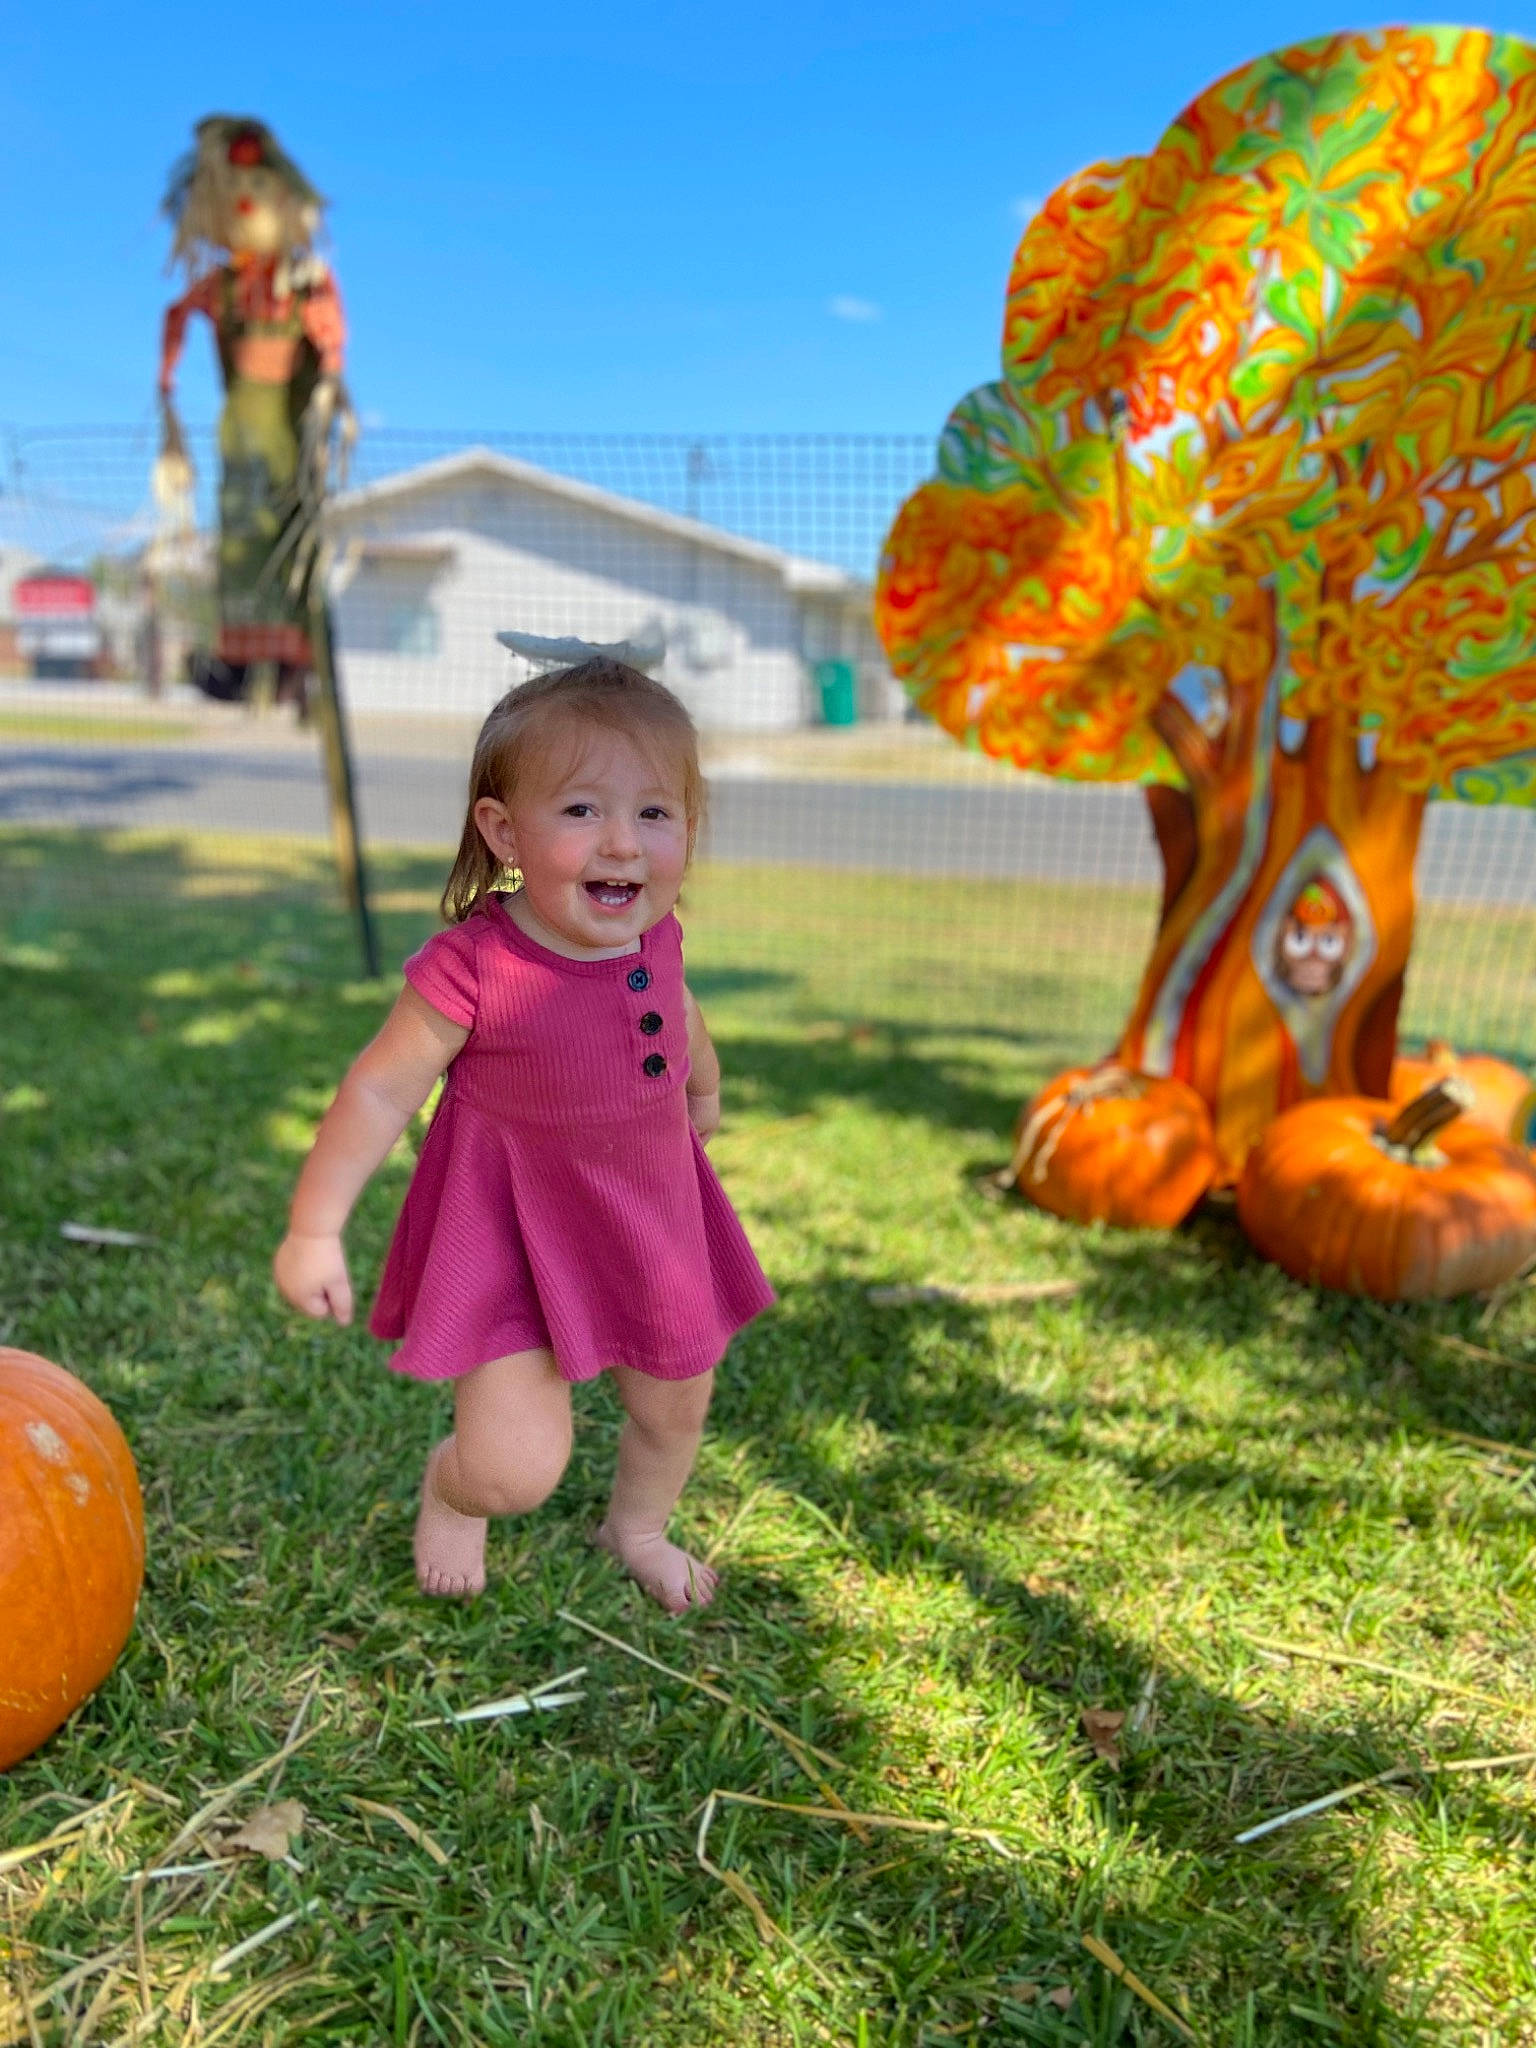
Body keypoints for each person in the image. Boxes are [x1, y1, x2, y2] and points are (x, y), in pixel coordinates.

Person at [274, 657, 774, 1611]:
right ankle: (452, 1491)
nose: (622, 844)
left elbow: (675, 1004)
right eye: (582, 811)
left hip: (648, 1224)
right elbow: (378, 1094)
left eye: (655, 814)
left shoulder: (651, 938)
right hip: (511, 1239)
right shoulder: (473, 968)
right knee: (514, 1472)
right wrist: (314, 1226)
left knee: (675, 1406)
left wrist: (702, 1090)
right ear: (503, 829)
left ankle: (636, 1526)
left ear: (689, 830)